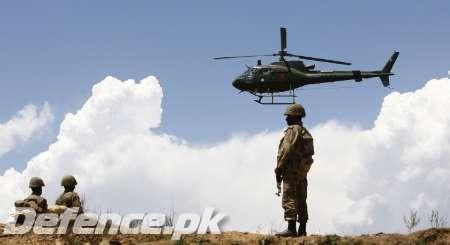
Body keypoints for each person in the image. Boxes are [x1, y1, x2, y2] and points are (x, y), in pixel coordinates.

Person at [275, 103, 314, 237]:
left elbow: (286, 150)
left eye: (288, 116)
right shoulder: (304, 131)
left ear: (295, 116)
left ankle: (291, 228)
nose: (286, 119)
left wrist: (279, 168)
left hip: (291, 169)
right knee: (301, 197)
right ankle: (302, 229)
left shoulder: (293, 130)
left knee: (289, 196)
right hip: (302, 170)